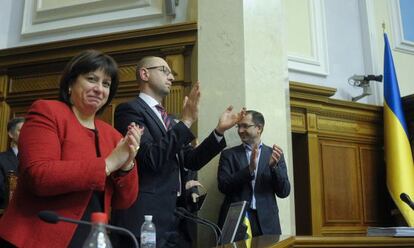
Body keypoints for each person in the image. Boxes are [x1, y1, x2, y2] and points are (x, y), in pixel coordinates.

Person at [0, 50, 143, 248]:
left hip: (92, 238)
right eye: (91, 79)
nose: (99, 89)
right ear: (70, 84)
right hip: (38, 236)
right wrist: (108, 164)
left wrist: (127, 164)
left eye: (106, 84)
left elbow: (123, 202)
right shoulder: (47, 112)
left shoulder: (113, 135)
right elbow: (38, 176)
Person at [111, 56, 245, 247]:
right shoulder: (129, 110)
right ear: (144, 74)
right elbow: (151, 158)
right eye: (164, 71)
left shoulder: (169, 119)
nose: (171, 78)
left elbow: (191, 160)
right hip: (145, 219)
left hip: (175, 220)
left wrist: (219, 131)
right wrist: (187, 122)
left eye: (172, 74)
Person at [217, 110, 290, 237]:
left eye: (245, 126)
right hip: (237, 221)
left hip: (267, 223)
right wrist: (249, 170)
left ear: (259, 128)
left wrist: (274, 168)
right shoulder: (228, 155)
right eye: (238, 126)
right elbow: (223, 186)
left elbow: (284, 192)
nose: (240, 130)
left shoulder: (274, 154)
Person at [0, 117, 25, 209]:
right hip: (8, 212)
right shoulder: (1, 159)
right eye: (21, 130)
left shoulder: (38, 158)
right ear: (11, 134)